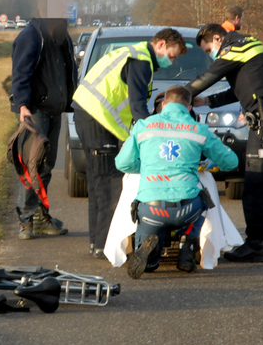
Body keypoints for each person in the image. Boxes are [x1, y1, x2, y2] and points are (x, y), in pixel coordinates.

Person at [72, 27, 186, 258]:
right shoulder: (141, 61)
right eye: (171, 56)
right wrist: (154, 138)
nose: (171, 62)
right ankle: (105, 246)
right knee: (110, 185)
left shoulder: (133, 54)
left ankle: (97, 243)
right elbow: (137, 108)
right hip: (97, 120)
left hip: (89, 116)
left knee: (97, 185)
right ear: (161, 44)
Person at [185, 23, 263, 262]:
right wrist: (207, 102)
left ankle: (255, 244)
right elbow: (241, 88)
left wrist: (181, 95)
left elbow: (209, 76)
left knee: (257, 183)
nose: (210, 55)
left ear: (216, 38)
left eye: (207, 50)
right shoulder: (253, 45)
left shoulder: (235, 48)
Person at [115, 85, 239, 278]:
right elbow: (231, 162)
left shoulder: (143, 125)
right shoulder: (199, 130)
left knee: (149, 257)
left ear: (163, 105)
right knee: (203, 200)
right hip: (187, 209)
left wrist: (147, 167)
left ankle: (151, 254)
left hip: (151, 209)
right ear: (189, 107)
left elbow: (122, 163)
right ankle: (187, 248)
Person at [10, 17, 78, 238]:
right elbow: (20, 75)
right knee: (32, 167)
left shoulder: (62, 36)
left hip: (55, 110)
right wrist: (22, 106)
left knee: (46, 167)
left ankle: (40, 217)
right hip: (35, 111)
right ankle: (26, 222)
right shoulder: (30, 37)